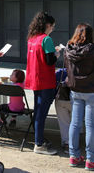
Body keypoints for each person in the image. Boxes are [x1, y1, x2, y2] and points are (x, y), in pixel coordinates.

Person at [64, 23, 94, 170]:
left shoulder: (68, 49)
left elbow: (67, 69)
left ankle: (74, 157)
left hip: (75, 89)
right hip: (93, 91)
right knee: (91, 126)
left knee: (75, 124)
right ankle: (90, 160)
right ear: (90, 35)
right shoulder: (93, 50)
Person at [25, 11, 59, 155]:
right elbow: (50, 60)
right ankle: (39, 144)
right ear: (47, 25)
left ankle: (38, 139)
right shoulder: (46, 40)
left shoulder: (32, 38)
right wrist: (57, 53)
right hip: (45, 81)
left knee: (38, 111)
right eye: (52, 26)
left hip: (35, 80)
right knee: (41, 113)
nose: (52, 29)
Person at [54, 67, 71, 154]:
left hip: (62, 98)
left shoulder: (60, 72)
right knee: (76, 122)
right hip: (77, 98)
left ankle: (67, 143)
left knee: (64, 122)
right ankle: (74, 142)